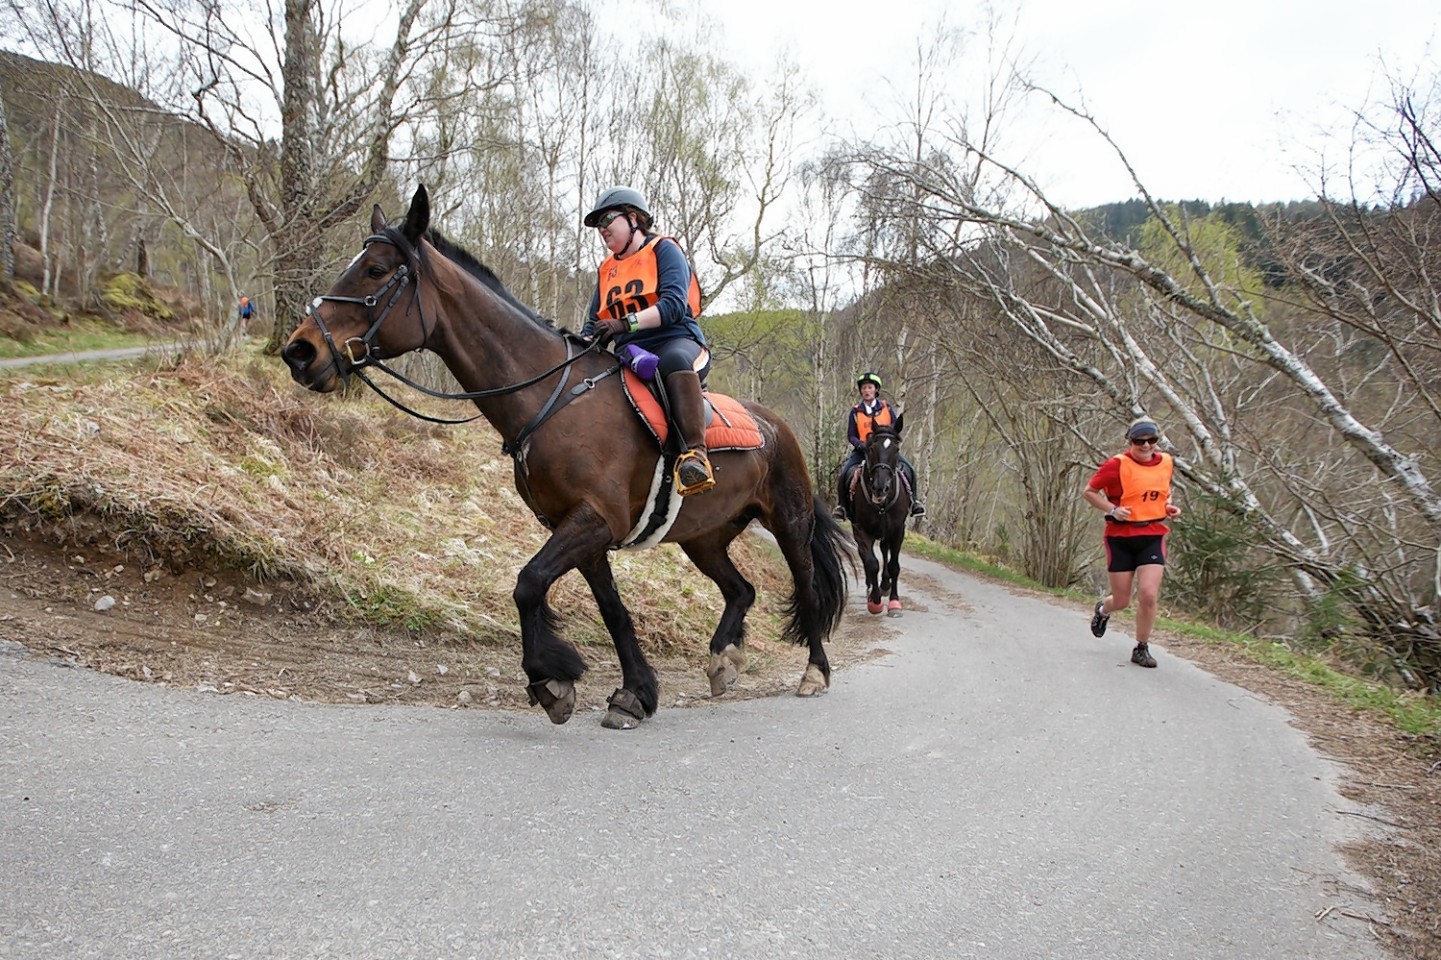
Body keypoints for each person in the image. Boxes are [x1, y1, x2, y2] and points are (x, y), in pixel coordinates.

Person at [580, 186, 714, 495]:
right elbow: (592, 324)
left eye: (607, 219)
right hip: (629, 353)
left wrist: (623, 323)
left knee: (673, 361)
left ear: (633, 218)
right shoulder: (606, 269)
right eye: (598, 224)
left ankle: (695, 455)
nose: (602, 229)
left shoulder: (664, 250)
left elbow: (674, 306)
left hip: (677, 342)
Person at [1082, 417, 1183, 669]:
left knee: (1148, 595)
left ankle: (1141, 647)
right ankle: (1103, 610)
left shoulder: (1166, 463)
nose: (1146, 445)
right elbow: (1089, 492)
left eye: (1152, 440)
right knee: (1122, 600)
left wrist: (1167, 507)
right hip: (1120, 538)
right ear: (1130, 442)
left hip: (1152, 534)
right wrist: (1112, 509)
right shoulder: (1116, 465)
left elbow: (1162, 491)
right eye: (1140, 441)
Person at [831, 371, 926, 521]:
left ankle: (915, 502)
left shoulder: (886, 408)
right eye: (863, 388)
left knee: (910, 469)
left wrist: (892, 445)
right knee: (844, 474)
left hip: (885, 452)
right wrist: (860, 445)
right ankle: (842, 507)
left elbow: (895, 429)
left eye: (869, 387)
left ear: (876, 390)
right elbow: (851, 435)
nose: (866, 391)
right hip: (862, 451)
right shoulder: (856, 411)